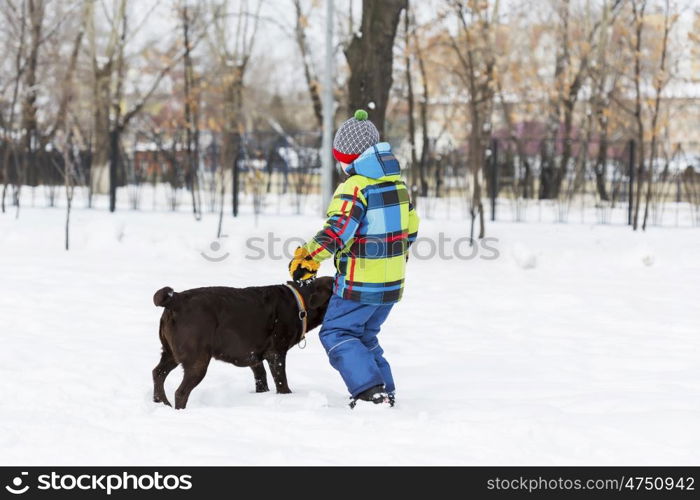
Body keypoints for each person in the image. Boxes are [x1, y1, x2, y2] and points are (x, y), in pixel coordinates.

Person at [288, 109, 420, 408]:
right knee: (365, 336)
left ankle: (369, 392)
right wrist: (393, 256)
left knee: (337, 332)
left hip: (359, 283)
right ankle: (383, 389)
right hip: (391, 285)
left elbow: (338, 230)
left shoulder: (355, 187)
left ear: (348, 158)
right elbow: (411, 229)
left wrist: (308, 256)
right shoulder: (397, 185)